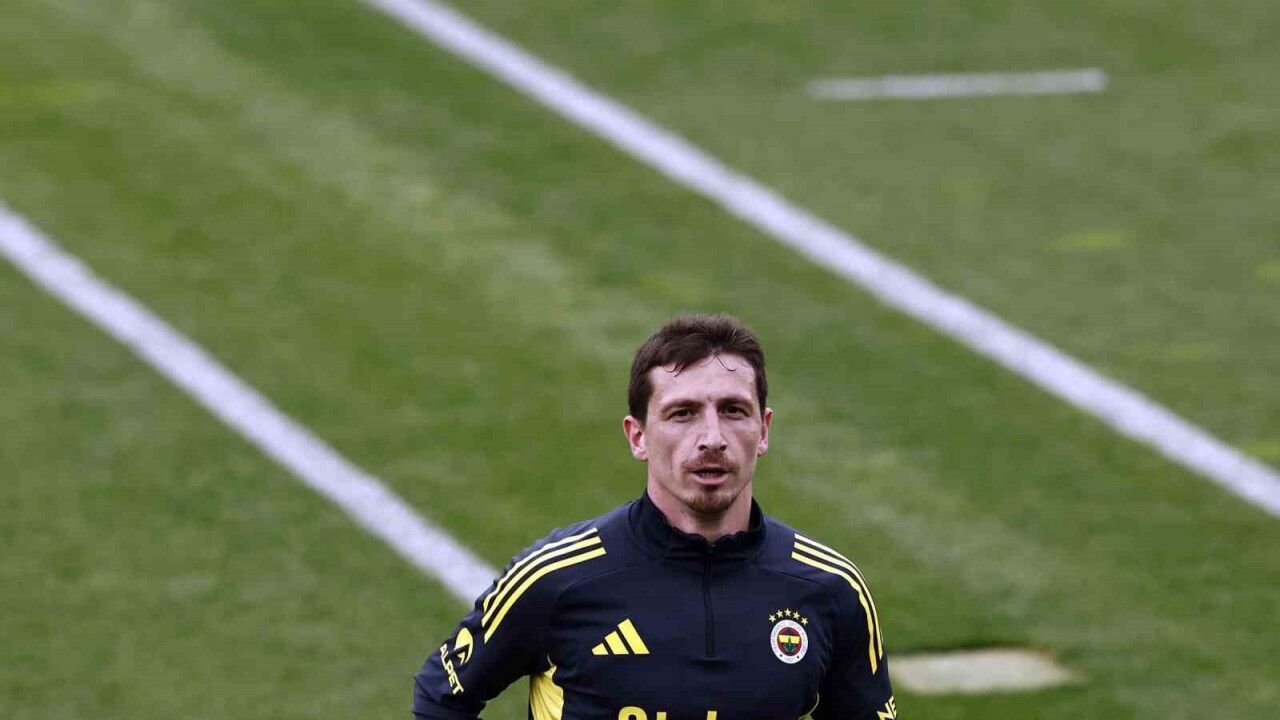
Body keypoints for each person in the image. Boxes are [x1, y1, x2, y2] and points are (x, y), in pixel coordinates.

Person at [413, 314, 895, 720]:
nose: (712, 438)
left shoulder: (831, 590)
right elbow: (442, 699)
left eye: (733, 410)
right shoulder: (555, 580)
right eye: (683, 413)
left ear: (763, 430)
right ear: (637, 436)